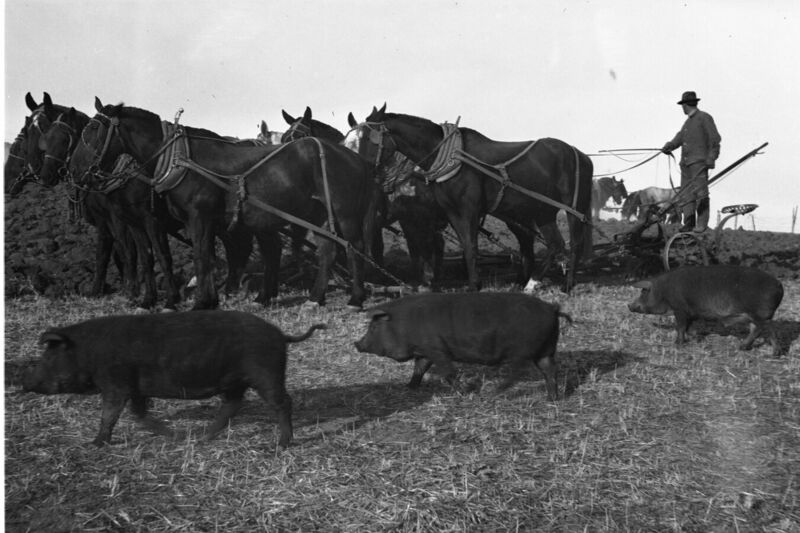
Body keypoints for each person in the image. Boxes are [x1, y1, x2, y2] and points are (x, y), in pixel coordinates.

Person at [661, 91, 721, 232]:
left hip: (699, 163)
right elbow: (680, 138)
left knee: (701, 192)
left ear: (685, 105)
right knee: (686, 194)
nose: (682, 108)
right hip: (686, 165)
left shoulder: (704, 118)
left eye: (682, 105)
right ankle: (689, 223)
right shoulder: (688, 122)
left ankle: (701, 224)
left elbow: (715, 140)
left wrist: (711, 158)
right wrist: (669, 145)